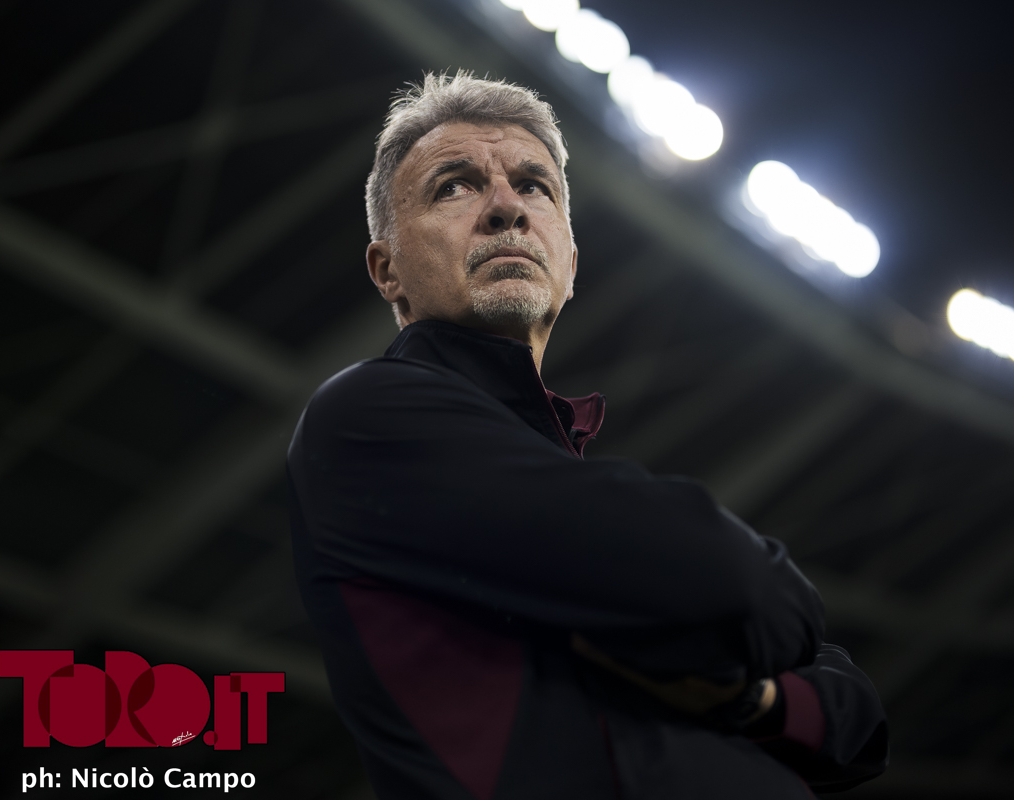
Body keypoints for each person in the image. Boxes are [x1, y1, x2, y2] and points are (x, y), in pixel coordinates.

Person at [287, 72, 887, 800]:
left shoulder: (549, 465)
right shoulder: (367, 417)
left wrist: (752, 699)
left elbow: (860, 724)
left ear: (570, 261)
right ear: (388, 271)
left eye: (534, 186)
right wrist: (751, 645)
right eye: (454, 187)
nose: (506, 208)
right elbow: (735, 584)